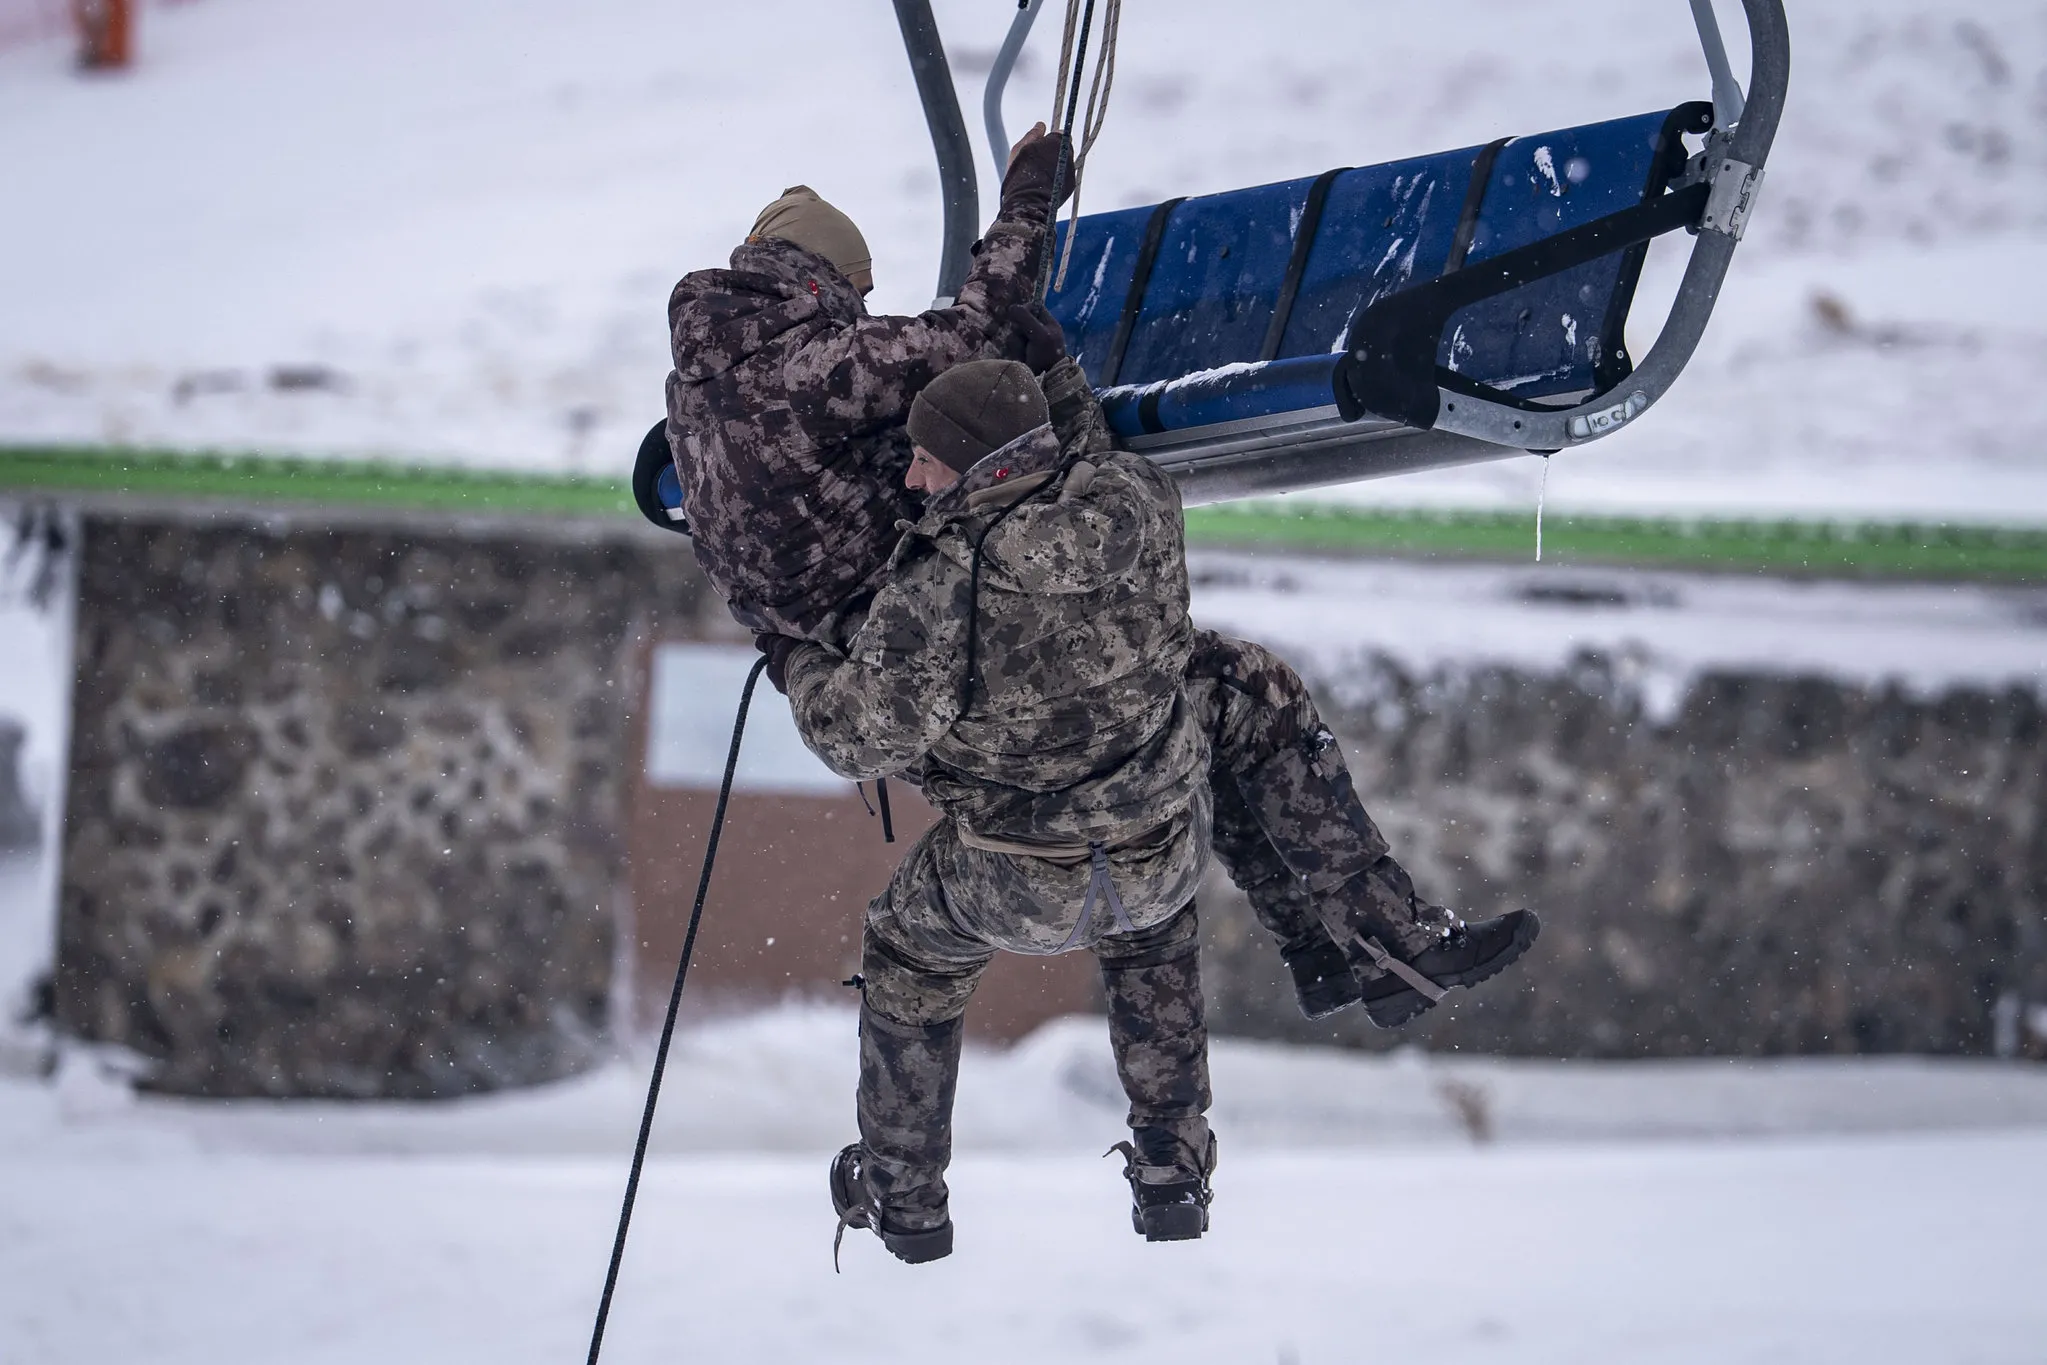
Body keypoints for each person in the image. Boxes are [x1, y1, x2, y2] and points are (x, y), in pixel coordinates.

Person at [662, 131, 1537, 1041]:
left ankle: (1341, 951)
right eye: (856, 291)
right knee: (1220, 695)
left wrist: (792, 644)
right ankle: (1365, 941)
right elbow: (972, 332)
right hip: (941, 632)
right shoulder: (814, 367)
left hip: (906, 648)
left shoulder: (700, 379)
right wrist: (1030, 202)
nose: (862, 310)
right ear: (816, 282)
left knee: (1208, 698)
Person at [769, 353, 1216, 1262]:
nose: (908, 477)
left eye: (925, 458)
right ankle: (1172, 1168)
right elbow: (1074, 445)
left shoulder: (946, 577)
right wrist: (1038, 352)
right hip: (1157, 849)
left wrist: (797, 661)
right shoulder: (1140, 500)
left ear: (974, 464)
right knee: (1152, 925)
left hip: (1013, 876)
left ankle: (903, 1197)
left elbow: (859, 739)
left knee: (908, 949)